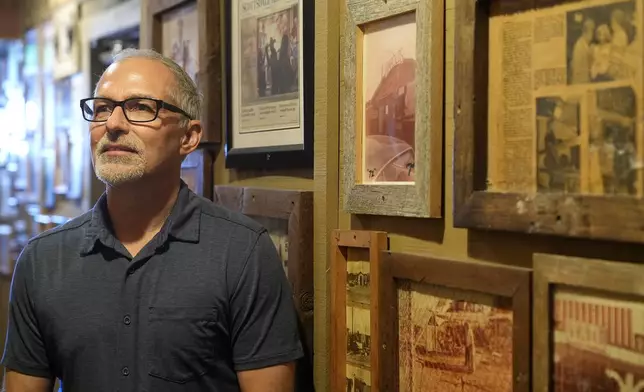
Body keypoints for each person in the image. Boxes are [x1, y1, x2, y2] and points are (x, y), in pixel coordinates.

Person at [1, 48, 304, 392]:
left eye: (140, 107)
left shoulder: (241, 253)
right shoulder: (43, 260)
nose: (113, 124)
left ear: (188, 137)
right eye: (102, 108)